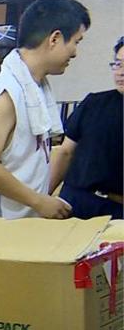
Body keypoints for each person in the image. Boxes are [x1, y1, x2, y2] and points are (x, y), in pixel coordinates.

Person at [0, 0, 90, 220]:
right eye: (76, 42)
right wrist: (38, 201)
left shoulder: (36, 88)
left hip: (23, 225)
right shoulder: (8, 92)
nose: (74, 52)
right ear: (55, 38)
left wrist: (46, 200)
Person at [48, 36, 123, 219]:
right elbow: (65, 152)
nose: (121, 72)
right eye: (118, 64)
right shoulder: (94, 104)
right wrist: (42, 198)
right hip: (76, 201)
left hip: (118, 211)